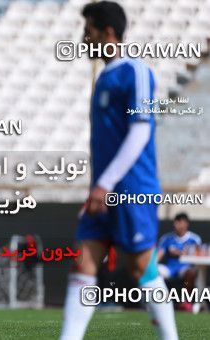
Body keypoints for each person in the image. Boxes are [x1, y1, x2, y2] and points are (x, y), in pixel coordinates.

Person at [59, 2, 178, 339]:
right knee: (82, 262)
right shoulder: (104, 77)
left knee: (142, 267)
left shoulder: (135, 72)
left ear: (107, 32)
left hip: (132, 189)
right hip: (103, 192)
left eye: (89, 30)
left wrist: (106, 183)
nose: (84, 38)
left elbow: (141, 131)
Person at [158, 213, 202, 312]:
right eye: (176, 222)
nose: (177, 225)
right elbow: (158, 255)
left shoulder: (194, 239)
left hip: (184, 268)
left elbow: (199, 255)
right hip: (170, 268)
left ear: (186, 224)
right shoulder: (167, 238)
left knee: (191, 273)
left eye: (180, 222)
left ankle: (185, 300)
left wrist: (183, 254)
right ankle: (159, 300)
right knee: (155, 271)